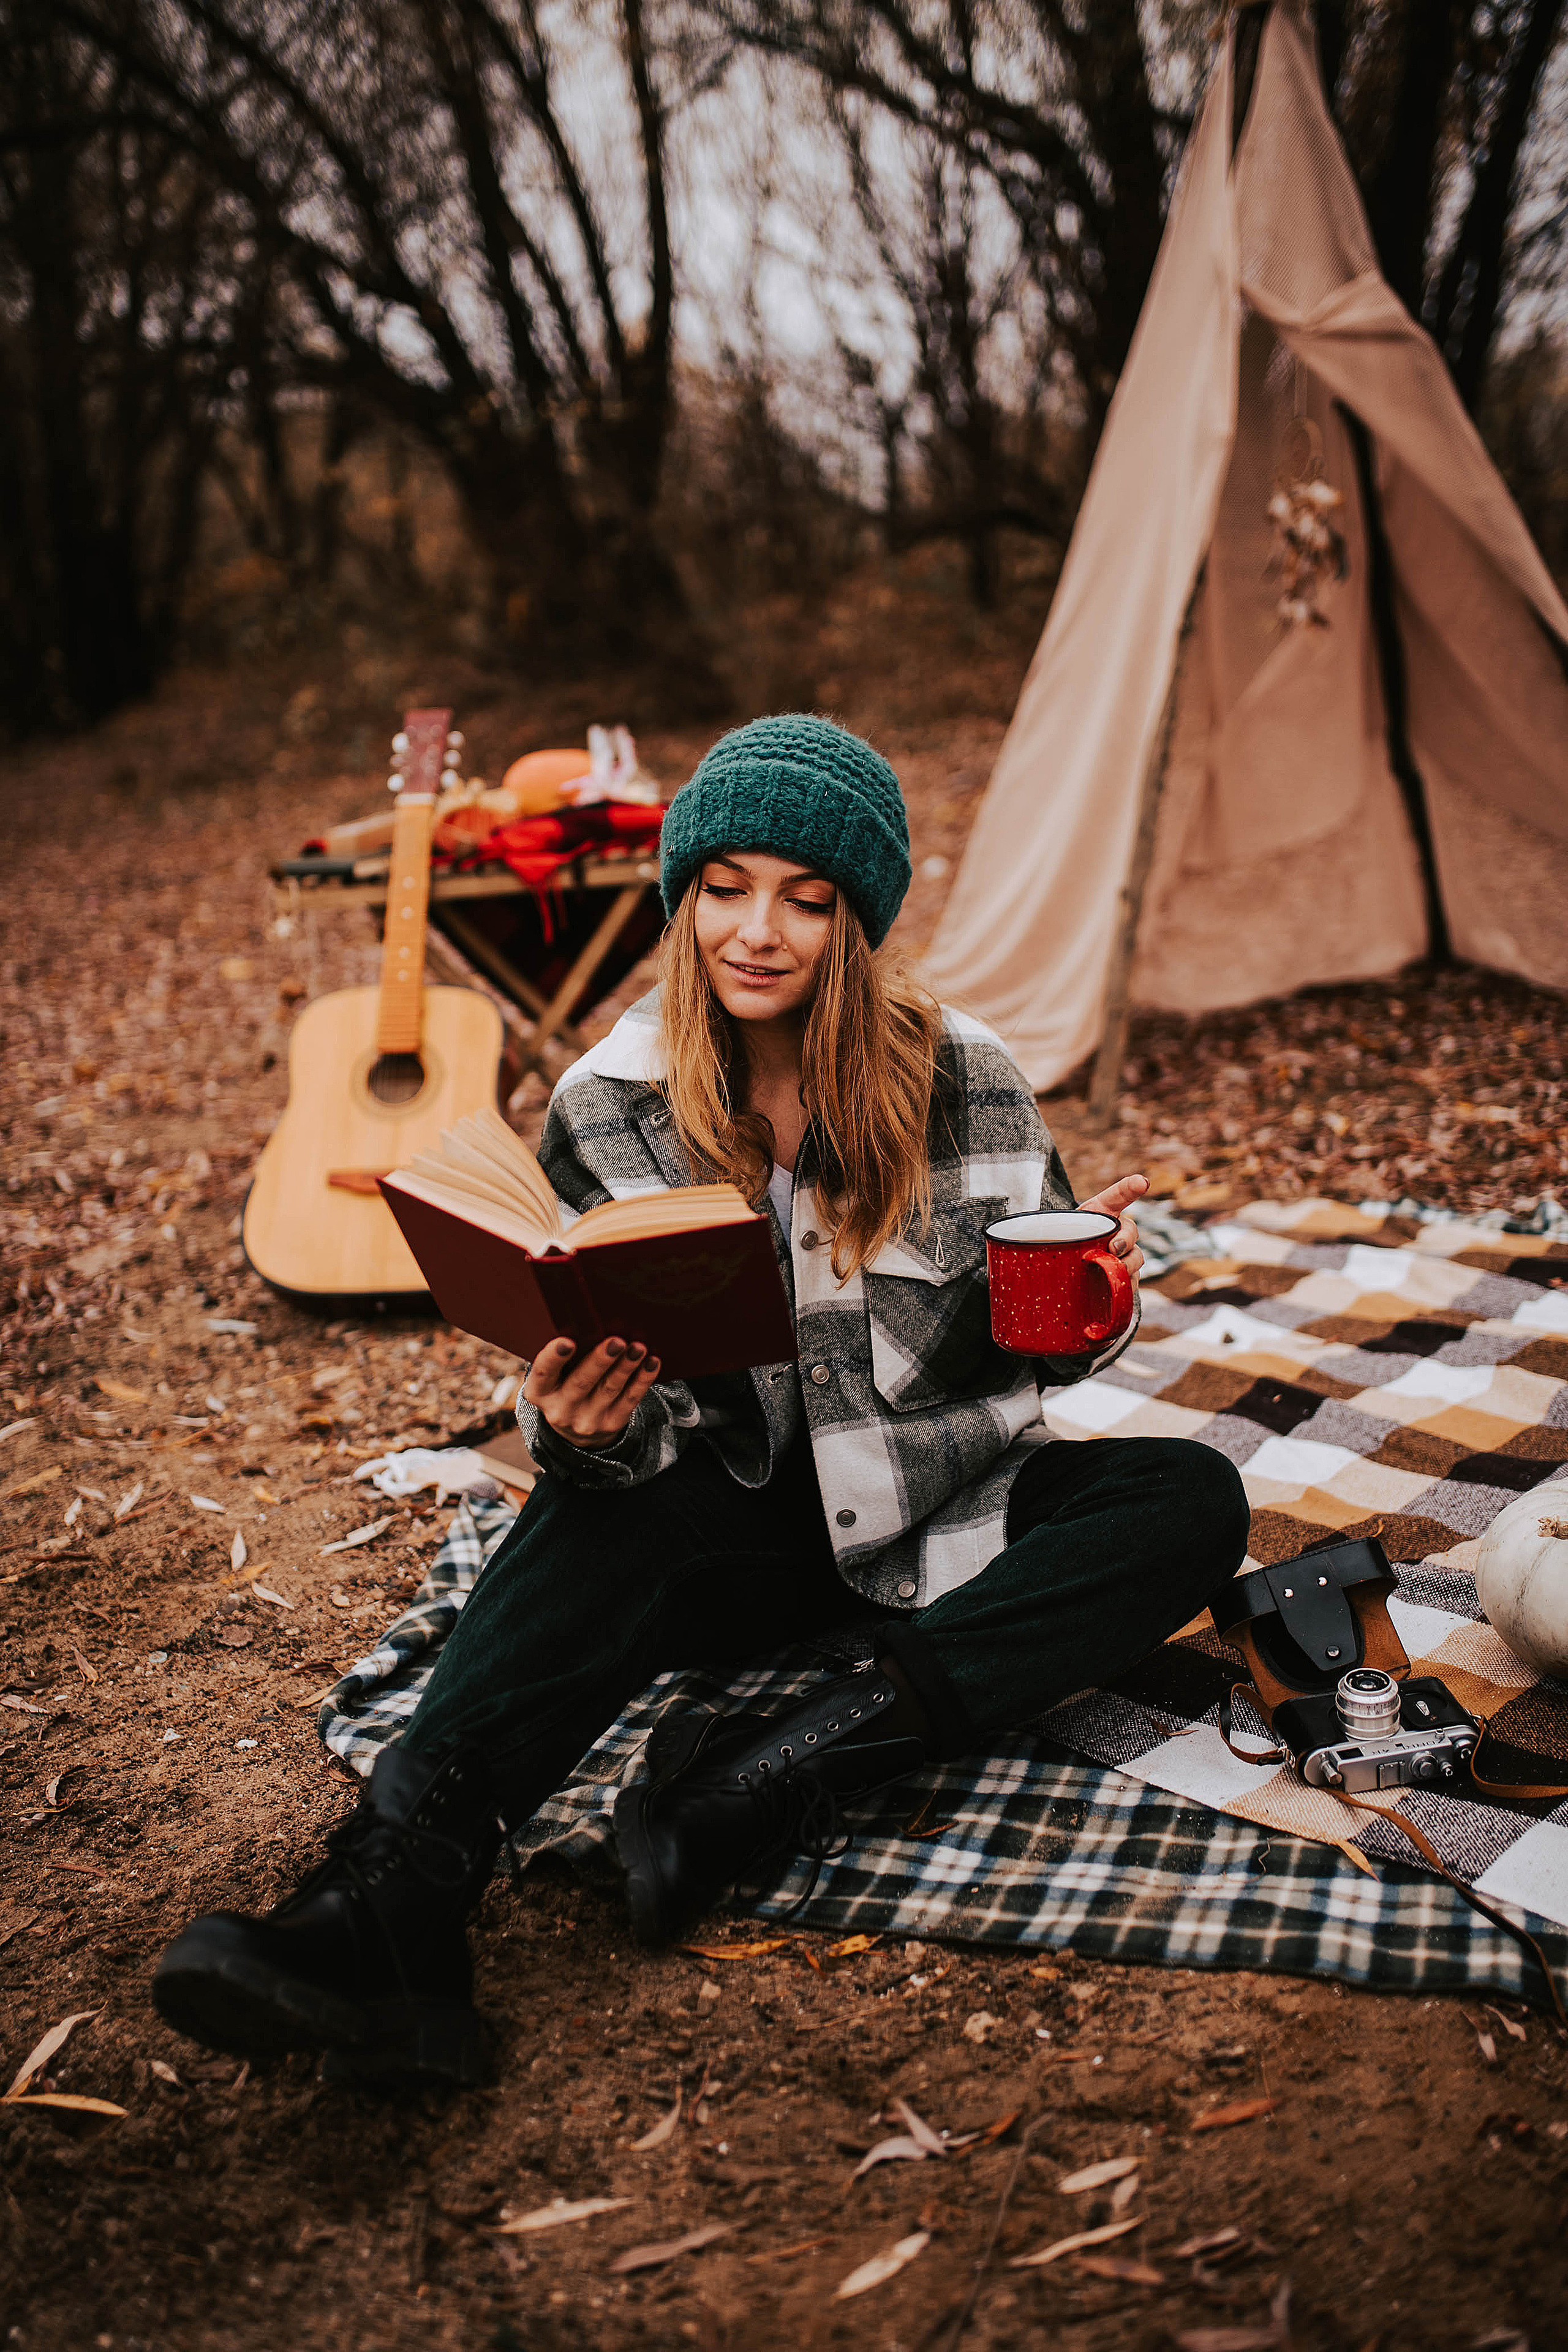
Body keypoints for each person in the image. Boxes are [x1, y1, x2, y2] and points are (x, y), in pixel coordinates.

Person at [153, 715, 1250, 2088]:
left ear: (856, 921)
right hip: (728, 1527)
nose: (758, 931)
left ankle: (757, 1778)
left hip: (939, 1511)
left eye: (806, 898)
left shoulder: (963, 1075)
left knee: (1186, 1498)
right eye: (725, 885)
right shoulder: (610, 1101)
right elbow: (610, 1395)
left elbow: (1024, 1356)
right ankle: (384, 1907)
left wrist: (1096, 1296)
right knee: (573, 1520)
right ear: (681, 896)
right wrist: (579, 1430)